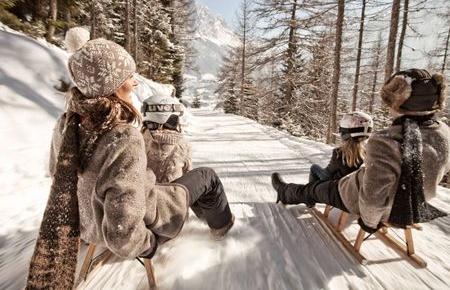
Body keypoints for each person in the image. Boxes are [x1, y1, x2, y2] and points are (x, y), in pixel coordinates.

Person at [26, 38, 234, 289]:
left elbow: (56, 174)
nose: (135, 82)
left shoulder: (66, 124)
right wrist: (149, 245)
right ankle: (223, 227)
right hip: (149, 217)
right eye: (129, 76)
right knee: (206, 177)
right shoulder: (122, 136)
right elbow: (123, 231)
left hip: (86, 223)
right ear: (111, 84)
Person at [271, 68, 449, 234]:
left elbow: (371, 198)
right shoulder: (444, 133)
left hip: (360, 198)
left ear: (400, 104)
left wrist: (370, 223)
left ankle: (284, 192)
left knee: (314, 188)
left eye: (391, 103)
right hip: (412, 206)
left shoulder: (387, 140)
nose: (389, 108)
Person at [308, 111, 372, 183]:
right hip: (359, 189)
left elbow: (327, 176)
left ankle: (309, 192)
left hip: (341, 189)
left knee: (314, 168)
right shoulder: (371, 154)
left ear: (345, 134)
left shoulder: (339, 153)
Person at [141, 94, 192, 183]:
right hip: (173, 195)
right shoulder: (183, 144)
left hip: (143, 195)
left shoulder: (137, 141)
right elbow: (188, 175)